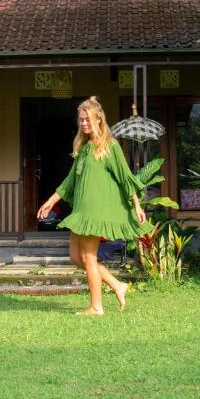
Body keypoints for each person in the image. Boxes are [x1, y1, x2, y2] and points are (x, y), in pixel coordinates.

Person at [37, 96, 153, 316]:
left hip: (94, 211)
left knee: (89, 257)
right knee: (75, 257)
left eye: (88, 119)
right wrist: (51, 201)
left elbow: (125, 177)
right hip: (81, 210)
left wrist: (137, 205)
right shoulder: (84, 147)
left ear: (99, 119)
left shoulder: (110, 146)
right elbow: (70, 180)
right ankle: (117, 285)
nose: (84, 124)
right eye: (81, 120)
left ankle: (96, 306)